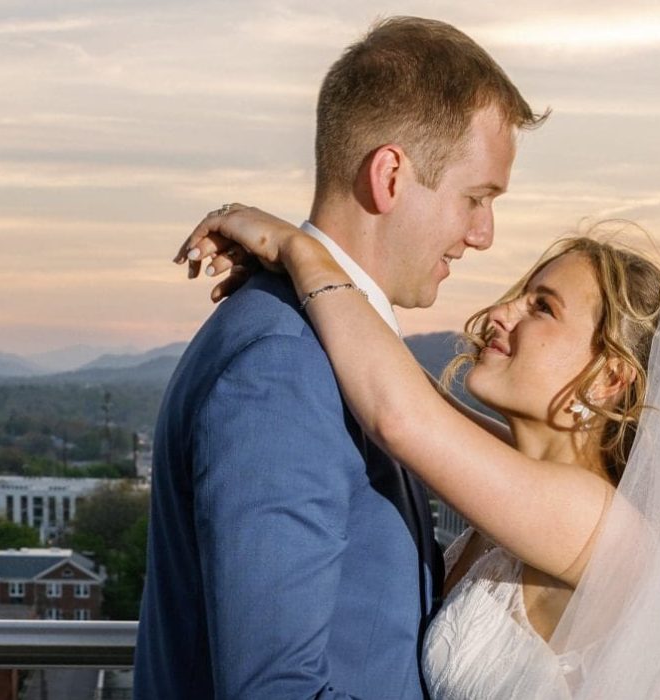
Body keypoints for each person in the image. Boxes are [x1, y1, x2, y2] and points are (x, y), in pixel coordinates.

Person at [179, 208, 660, 699]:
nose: (501, 313)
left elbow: (400, 417)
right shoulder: (527, 484)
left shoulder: (596, 520)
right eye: (520, 294)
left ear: (608, 379)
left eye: (543, 307)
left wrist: (299, 249)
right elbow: (403, 392)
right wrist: (294, 281)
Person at [131, 16, 545, 700]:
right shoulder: (282, 366)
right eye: (476, 198)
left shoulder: (336, 350)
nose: (484, 234)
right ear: (389, 176)